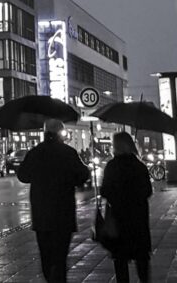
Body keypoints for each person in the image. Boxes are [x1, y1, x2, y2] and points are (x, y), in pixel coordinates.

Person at [16, 119, 91, 283]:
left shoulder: (36, 152)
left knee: (46, 254)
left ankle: (50, 278)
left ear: (45, 133)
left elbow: (22, 175)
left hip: (41, 213)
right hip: (63, 212)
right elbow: (82, 175)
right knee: (60, 256)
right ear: (60, 134)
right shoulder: (68, 152)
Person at [100, 131, 153, 282]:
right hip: (138, 218)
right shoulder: (139, 166)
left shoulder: (112, 166)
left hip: (118, 218)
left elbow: (105, 191)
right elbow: (147, 191)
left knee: (120, 259)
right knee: (141, 257)